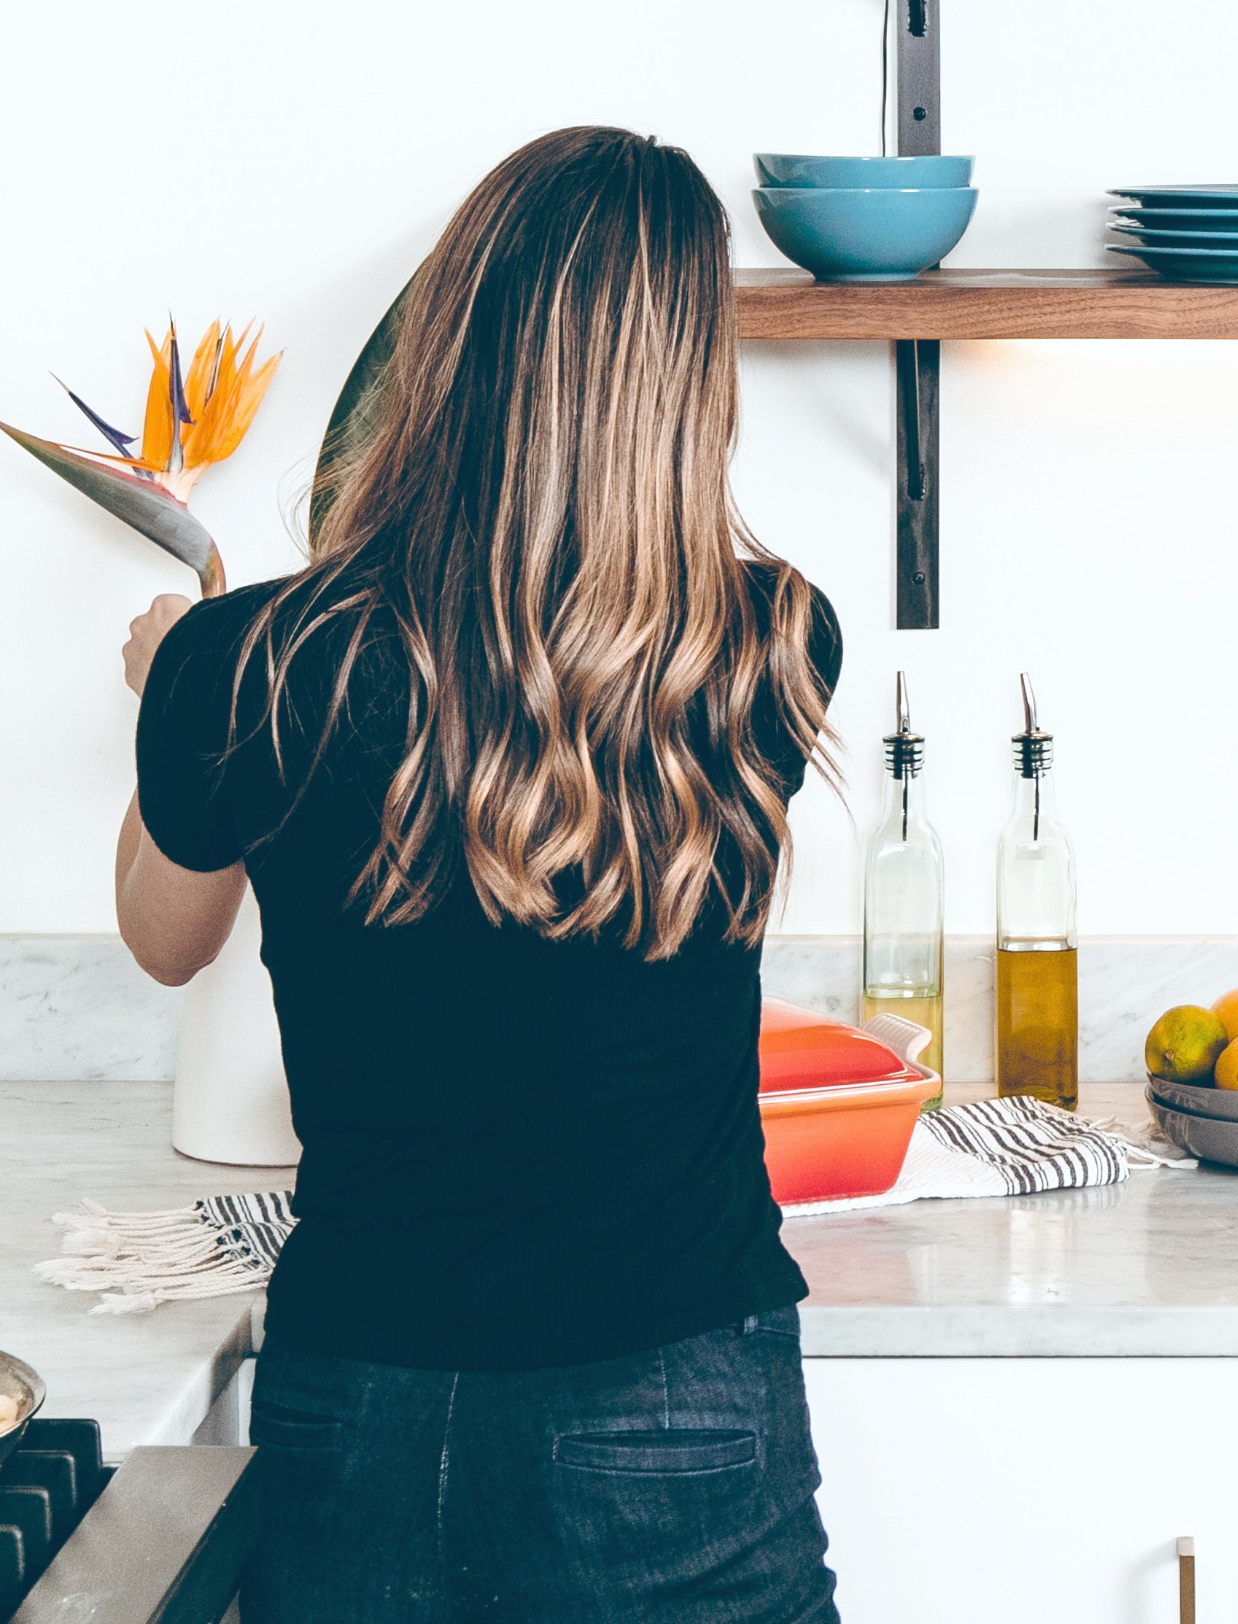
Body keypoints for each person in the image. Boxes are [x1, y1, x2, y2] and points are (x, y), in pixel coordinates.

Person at [117, 127, 845, 1623]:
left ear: (443, 339)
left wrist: (172, 700)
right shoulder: (769, 645)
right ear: (689, 388)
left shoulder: (250, 660)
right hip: (677, 1396)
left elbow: (162, 937)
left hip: (363, 1400)